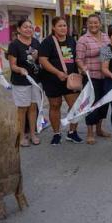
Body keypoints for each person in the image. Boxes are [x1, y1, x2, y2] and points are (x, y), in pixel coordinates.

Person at [38, 17, 82, 146]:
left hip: (70, 80)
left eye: (65, 26)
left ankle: (72, 132)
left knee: (75, 106)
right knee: (55, 105)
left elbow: (76, 58)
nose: (63, 28)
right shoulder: (47, 42)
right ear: (53, 28)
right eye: (60, 26)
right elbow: (43, 60)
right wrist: (57, 73)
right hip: (52, 80)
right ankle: (56, 133)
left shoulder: (71, 40)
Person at [7, 19, 43, 147]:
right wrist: (20, 69)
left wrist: (37, 57)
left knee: (33, 108)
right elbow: (12, 66)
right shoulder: (14, 45)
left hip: (35, 81)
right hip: (21, 81)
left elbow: (39, 61)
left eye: (30, 27)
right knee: (22, 109)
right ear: (19, 29)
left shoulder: (36, 42)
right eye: (25, 27)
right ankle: (21, 136)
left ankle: (33, 134)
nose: (28, 29)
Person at [76, 14, 110, 145]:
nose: (93, 25)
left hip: (105, 76)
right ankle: (90, 133)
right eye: (90, 23)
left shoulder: (106, 37)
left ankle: (99, 129)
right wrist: (83, 68)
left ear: (100, 24)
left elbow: (107, 55)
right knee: (91, 105)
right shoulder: (83, 39)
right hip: (91, 78)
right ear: (87, 25)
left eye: (96, 23)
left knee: (103, 103)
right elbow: (79, 59)